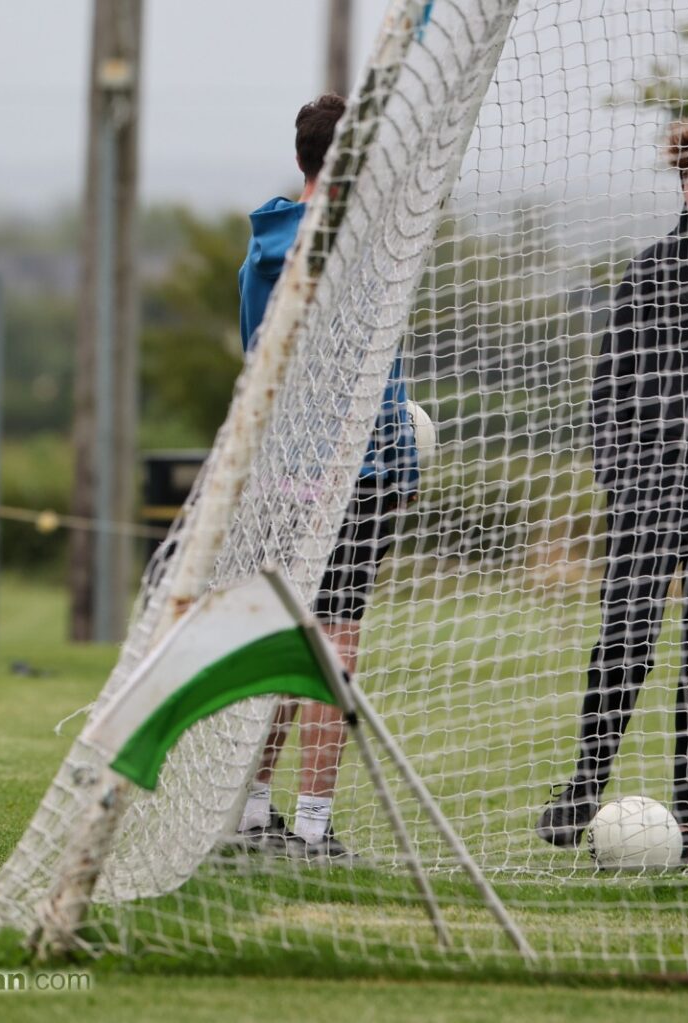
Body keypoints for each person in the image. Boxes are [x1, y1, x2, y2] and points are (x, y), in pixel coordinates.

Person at [230, 94, 419, 859]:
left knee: (282, 632)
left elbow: (254, 352)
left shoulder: (263, 244)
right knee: (335, 638)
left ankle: (248, 808)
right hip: (354, 468)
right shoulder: (369, 247)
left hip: (278, 471)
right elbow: (379, 379)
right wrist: (401, 458)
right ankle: (311, 822)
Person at [538, 121, 688, 860]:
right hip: (648, 488)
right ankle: (582, 787)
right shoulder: (651, 270)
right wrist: (622, 475)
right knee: (623, 645)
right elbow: (608, 393)